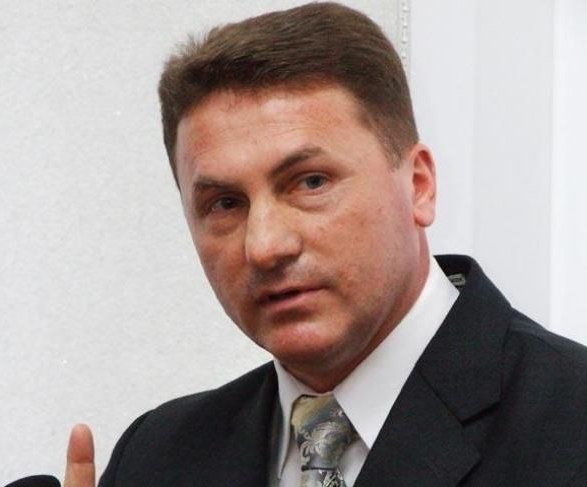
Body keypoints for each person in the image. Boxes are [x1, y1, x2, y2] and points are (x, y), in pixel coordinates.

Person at [62, 3, 587, 486]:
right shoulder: (157, 457)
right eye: (225, 203)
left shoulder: (571, 425)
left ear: (419, 185)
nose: (265, 246)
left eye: (310, 182)